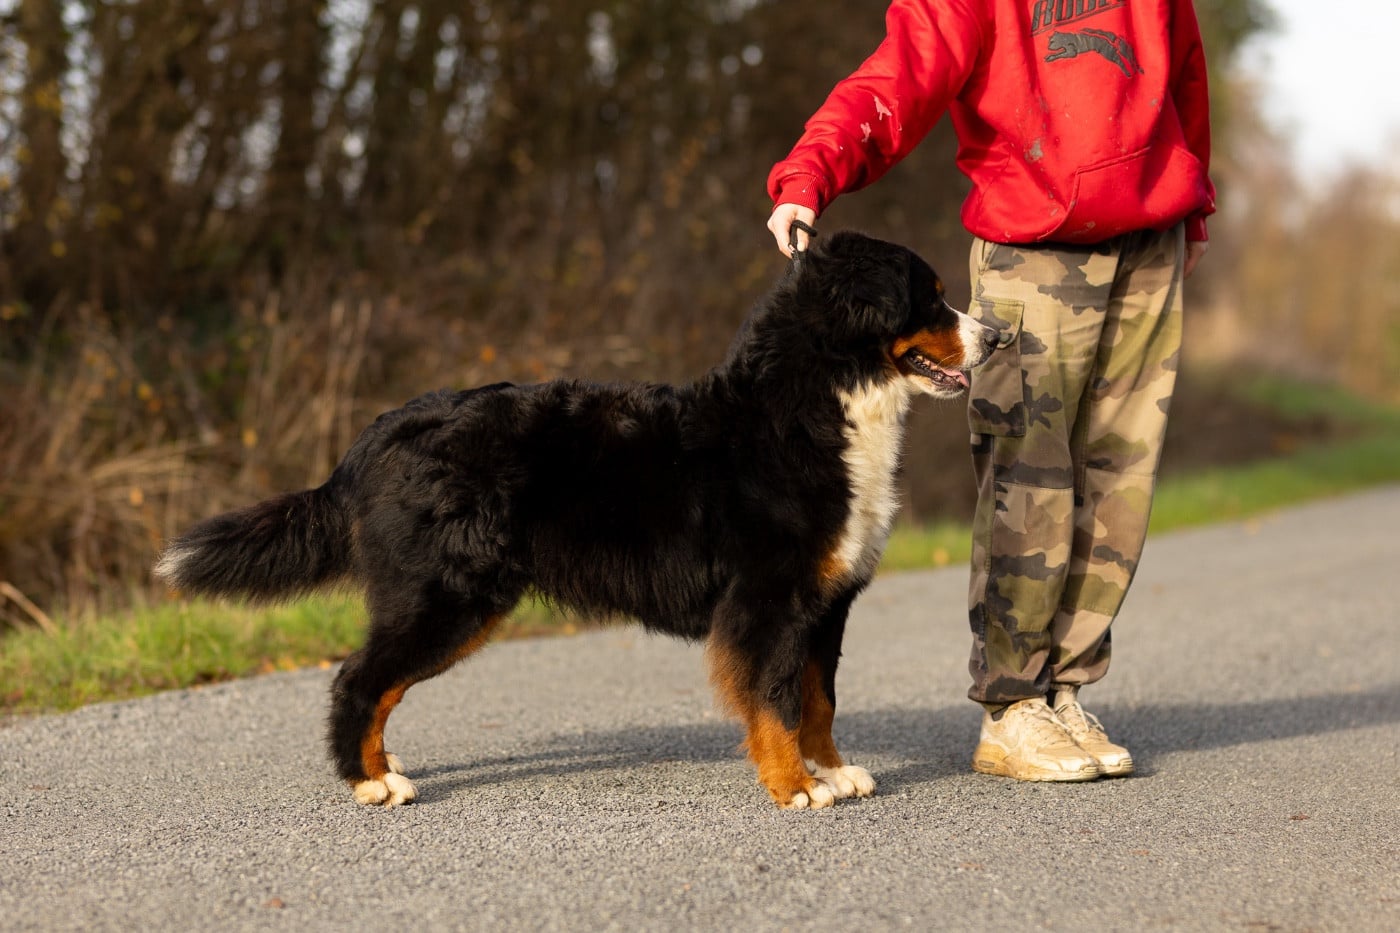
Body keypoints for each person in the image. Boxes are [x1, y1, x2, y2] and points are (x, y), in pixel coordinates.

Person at [765, 0, 1214, 781]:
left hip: (1151, 239)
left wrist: (1192, 203)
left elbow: (1184, 79)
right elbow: (895, 80)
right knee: (1029, 478)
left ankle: (1064, 690)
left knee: (1120, 480)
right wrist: (811, 171)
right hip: (1036, 246)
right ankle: (1011, 707)